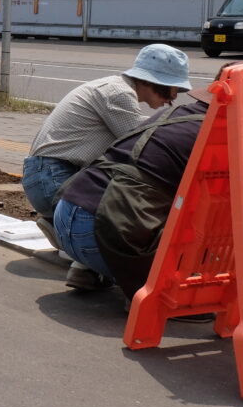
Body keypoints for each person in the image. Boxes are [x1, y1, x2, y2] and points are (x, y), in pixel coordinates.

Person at [22, 43, 191, 289]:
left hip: (45, 175)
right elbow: (144, 142)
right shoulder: (118, 94)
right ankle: (65, 232)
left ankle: (79, 260)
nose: (171, 101)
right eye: (171, 92)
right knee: (120, 215)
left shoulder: (112, 87)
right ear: (154, 82)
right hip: (54, 176)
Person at [52, 73, 231, 305]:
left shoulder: (177, 114)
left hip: (65, 215)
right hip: (99, 231)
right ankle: (147, 293)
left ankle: (90, 268)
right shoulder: (218, 134)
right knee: (197, 261)